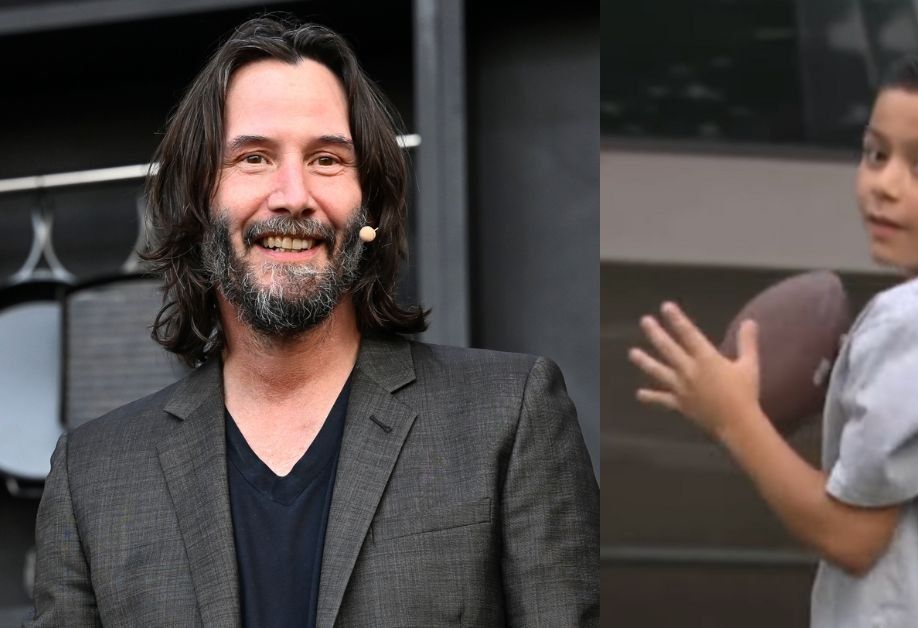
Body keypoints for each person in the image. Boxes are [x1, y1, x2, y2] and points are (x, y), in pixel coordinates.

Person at [29, 15, 598, 628]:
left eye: (327, 159)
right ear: (198, 204)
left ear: (369, 207)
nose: (293, 194)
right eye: (253, 158)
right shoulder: (93, 477)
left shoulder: (509, 419)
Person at [629, 45, 918, 627]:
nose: (884, 184)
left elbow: (852, 536)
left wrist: (733, 417)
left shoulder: (912, 321)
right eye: (874, 153)